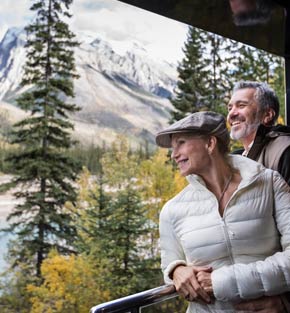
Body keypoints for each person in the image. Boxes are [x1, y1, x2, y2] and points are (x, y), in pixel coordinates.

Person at [155, 111, 290, 313]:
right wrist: (176, 270)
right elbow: (169, 263)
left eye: (181, 143)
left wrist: (221, 282)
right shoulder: (172, 210)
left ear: (210, 144)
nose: (174, 154)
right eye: (173, 147)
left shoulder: (270, 183)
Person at [227, 80, 290, 186]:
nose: (231, 114)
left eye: (241, 105)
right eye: (230, 108)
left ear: (267, 115)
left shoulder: (285, 150)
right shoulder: (234, 159)